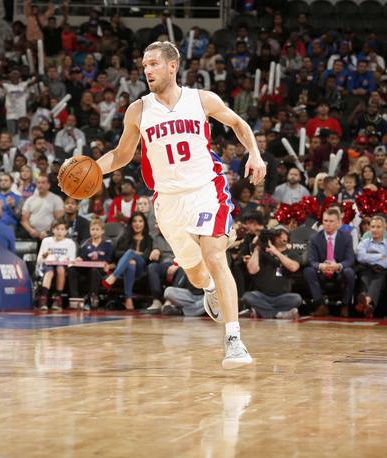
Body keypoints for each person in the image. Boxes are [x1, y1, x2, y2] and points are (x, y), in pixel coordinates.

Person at [95, 41, 266, 369]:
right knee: (197, 273)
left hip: (206, 190)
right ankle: (211, 288)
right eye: (144, 65)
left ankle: (233, 339)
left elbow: (238, 124)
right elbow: (121, 155)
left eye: (154, 63)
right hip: (168, 201)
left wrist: (255, 154)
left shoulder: (201, 99)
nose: (147, 70)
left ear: (172, 66)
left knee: (215, 255)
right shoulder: (139, 110)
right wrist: (91, 169)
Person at [303, 208, 356, 317]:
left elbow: (350, 259)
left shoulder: (346, 238)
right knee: (308, 271)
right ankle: (320, 306)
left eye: (331, 221)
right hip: (322, 272)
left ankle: (345, 306)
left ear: (338, 223)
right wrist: (321, 266)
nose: (327, 224)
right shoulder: (314, 238)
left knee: (350, 272)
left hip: (339, 272)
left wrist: (338, 266)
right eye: (325, 221)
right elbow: (311, 260)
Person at [243, 226, 302, 319]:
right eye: (276, 235)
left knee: (297, 299)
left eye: (281, 234)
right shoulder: (262, 253)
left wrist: (276, 252)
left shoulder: (291, 254)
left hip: (282, 297)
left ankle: (262, 311)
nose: (278, 237)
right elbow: (252, 270)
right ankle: (277, 314)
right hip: (262, 296)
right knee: (247, 296)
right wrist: (257, 248)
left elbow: (294, 267)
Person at [101, 212, 153, 311]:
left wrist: (133, 254)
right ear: (131, 223)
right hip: (127, 268)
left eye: (140, 221)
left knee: (130, 253)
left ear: (144, 224)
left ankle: (113, 277)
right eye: (134, 221)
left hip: (141, 270)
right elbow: (117, 253)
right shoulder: (126, 236)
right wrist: (131, 255)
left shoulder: (148, 239)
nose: (137, 224)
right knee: (130, 263)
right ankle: (128, 299)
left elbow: (146, 256)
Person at [67, 218, 114, 310]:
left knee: (94, 271)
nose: (94, 232)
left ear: (102, 231)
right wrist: (78, 260)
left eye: (97, 229)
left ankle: (91, 300)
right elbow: (81, 258)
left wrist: (109, 266)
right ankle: (75, 299)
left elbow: (114, 263)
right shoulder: (85, 245)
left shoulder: (108, 245)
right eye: (92, 229)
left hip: (100, 271)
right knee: (72, 269)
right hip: (87, 269)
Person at [355, 215, 387, 318]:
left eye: (378, 227)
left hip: (381, 272)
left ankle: (364, 302)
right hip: (366, 269)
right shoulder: (364, 243)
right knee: (365, 276)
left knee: (378, 278)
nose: (375, 230)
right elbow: (361, 257)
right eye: (372, 227)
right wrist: (380, 256)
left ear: (384, 228)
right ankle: (368, 305)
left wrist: (370, 257)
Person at [36, 219, 76, 312]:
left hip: (62, 266)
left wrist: (67, 261)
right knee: (49, 272)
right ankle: (43, 299)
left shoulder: (70, 243)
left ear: (66, 231)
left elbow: (71, 261)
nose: (59, 232)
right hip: (48, 265)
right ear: (53, 230)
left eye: (62, 229)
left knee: (60, 269)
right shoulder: (46, 241)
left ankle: (58, 298)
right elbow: (39, 260)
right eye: (57, 229)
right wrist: (43, 256)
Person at [20, 174, 64, 241]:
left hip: (50, 234)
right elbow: (24, 220)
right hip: (32, 233)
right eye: (38, 183)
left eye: (43, 183)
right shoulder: (30, 200)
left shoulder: (56, 199)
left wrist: (48, 232)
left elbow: (59, 220)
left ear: (48, 185)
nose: (40, 185)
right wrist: (31, 230)